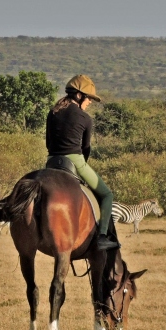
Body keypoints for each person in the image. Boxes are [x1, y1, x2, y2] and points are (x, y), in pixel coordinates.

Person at [46, 74, 120, 251]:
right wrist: (81, 167)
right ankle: (102, 237)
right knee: (107, 195)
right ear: (79, 96)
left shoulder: (52, 112)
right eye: (89, 98)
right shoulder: (85, 118)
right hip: (74, 161)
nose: (90, 102)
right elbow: (85, 148)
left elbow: (48, 143)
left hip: (50, 162)